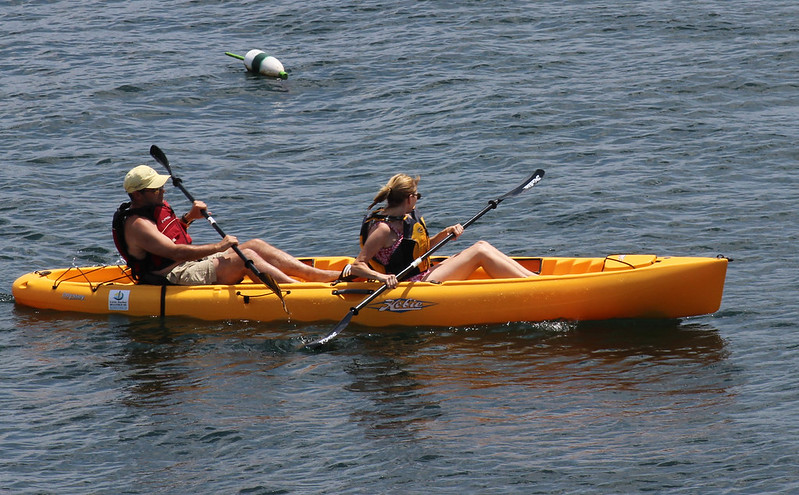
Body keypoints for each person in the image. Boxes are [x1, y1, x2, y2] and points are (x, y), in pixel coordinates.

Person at [112, 164, 340, 285]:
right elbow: (176, 251)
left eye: (161, 186)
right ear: (138, 195)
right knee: (244, 256)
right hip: (172, 276)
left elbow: (171, 237)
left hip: (186, 264)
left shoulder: (153, 206)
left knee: (256, 245)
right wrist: (220, 247)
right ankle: (295, 290)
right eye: (156, 189)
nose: (162, 191)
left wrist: (188, 218)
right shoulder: (138, 225)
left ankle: (315, 275)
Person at [349, 173, 537, 288]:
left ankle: (534, 281)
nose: (417, 200)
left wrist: (444, 234)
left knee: (482, 245)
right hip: (410, 285)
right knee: (479, 252)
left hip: (420, 274)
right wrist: (382, 278)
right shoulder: (383, 229)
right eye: (417, 196)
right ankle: (533, 287)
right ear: (409, 198)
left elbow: (416, 250)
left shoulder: (405, 218)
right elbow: (358, 264)